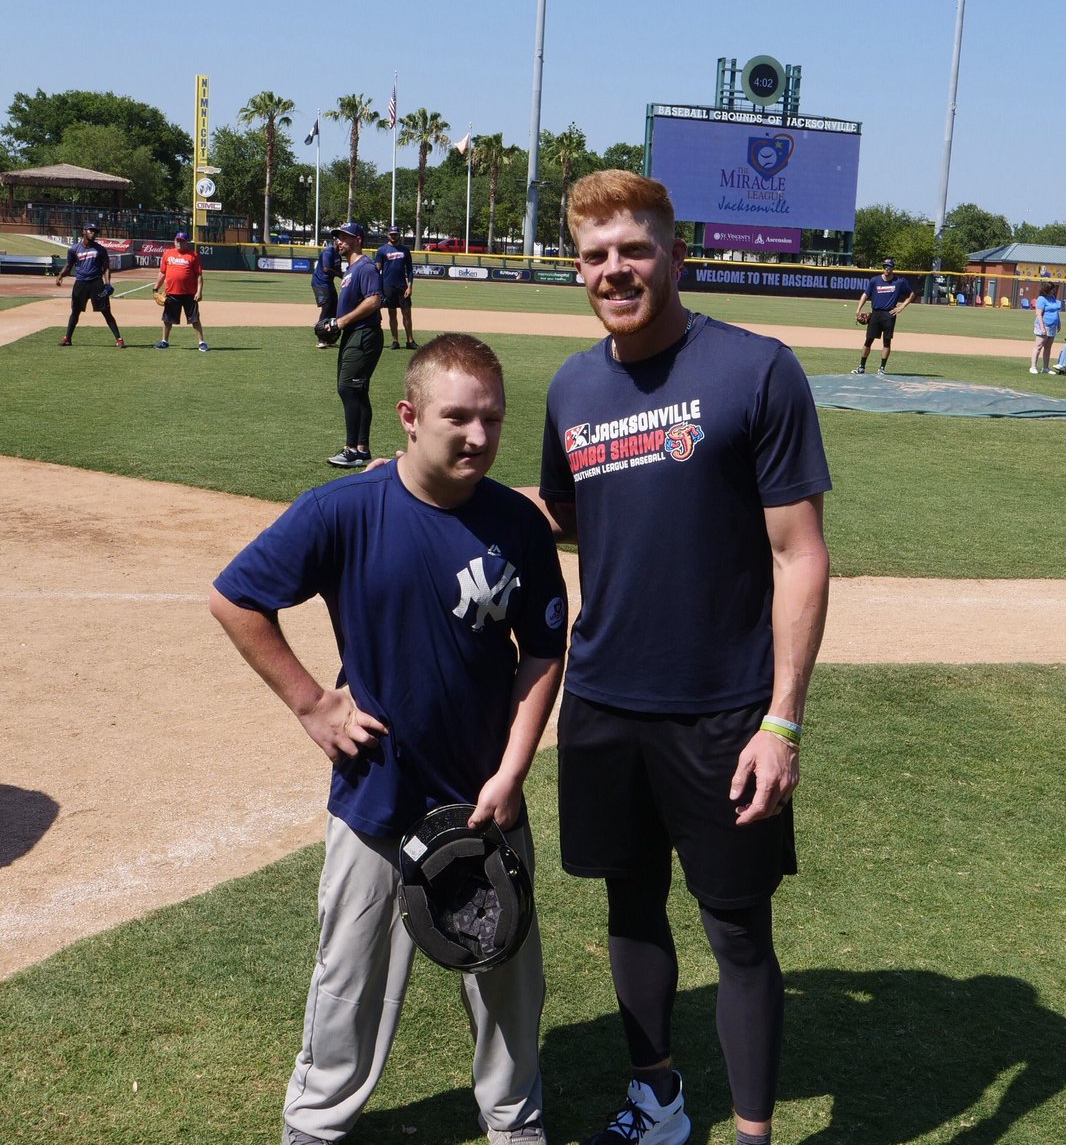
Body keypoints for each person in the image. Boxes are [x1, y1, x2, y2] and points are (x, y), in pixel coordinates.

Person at [209, 333, 567, 1145]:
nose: (478, 436)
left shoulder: (518, 525)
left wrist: (513, 772)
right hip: (375, 792)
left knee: (507, 972)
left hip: (484, 797)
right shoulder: (343, 510)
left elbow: (544, 650)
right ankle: (318, 1124)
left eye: (493, 419)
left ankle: (514, 1123)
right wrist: (310, 704)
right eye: (458, 418)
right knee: (350, 976)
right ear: (408, 417)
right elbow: (235, 598)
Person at [534, 171, 831, 1145]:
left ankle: (750, 1134)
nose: (612, 270)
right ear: (576, 268)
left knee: (737, 929)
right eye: (593, 255)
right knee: (628, 906)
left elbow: (798, 556)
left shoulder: (756, 371)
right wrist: (411, 494)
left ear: (674, 255)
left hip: (724, 711)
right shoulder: (572, 386)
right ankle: (656, 1100)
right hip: (606, 698)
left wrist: (780, 720)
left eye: (632, 249)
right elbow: (566, 519)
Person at [325, 222, 385, 468]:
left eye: (344, 237)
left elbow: (374, 301)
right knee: (357, 391)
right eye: (337, 237)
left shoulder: (365, 267)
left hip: (364, 335)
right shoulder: (349, 270)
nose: (339, 241)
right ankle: (361, 450)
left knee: (348, 388)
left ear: (358, 239)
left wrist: (341, 322)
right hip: (354, 335)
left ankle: (352, 449)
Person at [55, 222, 125, 348]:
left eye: (95, 231)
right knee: (75, 311)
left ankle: (119, 339)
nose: (93, 233)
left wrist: (108, 284)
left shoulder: (100, 249)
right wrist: (60, 275)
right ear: (84, 231)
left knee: (106, 311)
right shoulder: (74, 249)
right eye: (90, 230)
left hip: (96, 283)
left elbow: (106, 268)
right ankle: (68, 338)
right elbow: (68, 266)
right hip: (81, 283)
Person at [851, 257, 914, 374]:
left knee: (886, 342)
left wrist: (901, 307)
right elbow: (865, 295)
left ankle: (882, 368)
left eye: (889, 267)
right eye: (885, 267)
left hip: (889, 314)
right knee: (868, 340)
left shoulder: (899, 282)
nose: (886, 269)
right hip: (875, 313)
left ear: (892, 268)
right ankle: (861, 366)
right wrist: (858, 309)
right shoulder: (875, 280)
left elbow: (911, 294)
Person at [154, 231, 209, 352]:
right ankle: (164, 341)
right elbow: (162, 273)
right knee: (167, 319)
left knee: (195, 319)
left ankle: (201, 342)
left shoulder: (192, 255)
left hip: (189, 294)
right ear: (174, 241)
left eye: (181, 241)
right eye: (177, 240)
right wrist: (155, 288)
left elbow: (199, 275)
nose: (179, 243)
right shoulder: (167, 254)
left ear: (186, 243)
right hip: (171, 293)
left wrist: (199, 292)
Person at [375, 225, 418, 350]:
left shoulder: (405, 250)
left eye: (396, 234)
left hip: (402, 286)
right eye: (391, 234)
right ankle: (395, 341)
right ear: (388, 235)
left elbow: (409, 270)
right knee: (392, 314)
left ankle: (410, 341)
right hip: (388, 286)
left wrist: (409, 286)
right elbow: (377, 269)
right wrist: (379, 288)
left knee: (407, 314)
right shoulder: (382, 250)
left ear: (399, 235)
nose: (394, 236)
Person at [310, 229, 344, 348]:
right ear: (335, 242)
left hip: (328, 283)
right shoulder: (328, 252)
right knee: (326, 308)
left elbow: (338, 270)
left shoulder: (338, 255)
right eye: (339, 241)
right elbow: (326, 269)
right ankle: (321, 338)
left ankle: (329, 337)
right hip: (319, 283)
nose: (341, 243)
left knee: (334, 308)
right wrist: (341, 275)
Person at [1030, 281, 1061, 374]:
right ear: (1047, 289)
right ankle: (1033, 367)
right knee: (1039, 346)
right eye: (1052, 289)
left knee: (1048, 347)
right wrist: (1042, 327)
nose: (1054, 291)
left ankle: (1045, 368)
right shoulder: (1041, 299)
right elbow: (1038, 314)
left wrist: (1059, 322)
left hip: (1052, 326)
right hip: (1043, 325)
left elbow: (1056, 311)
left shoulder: (1052, 297)